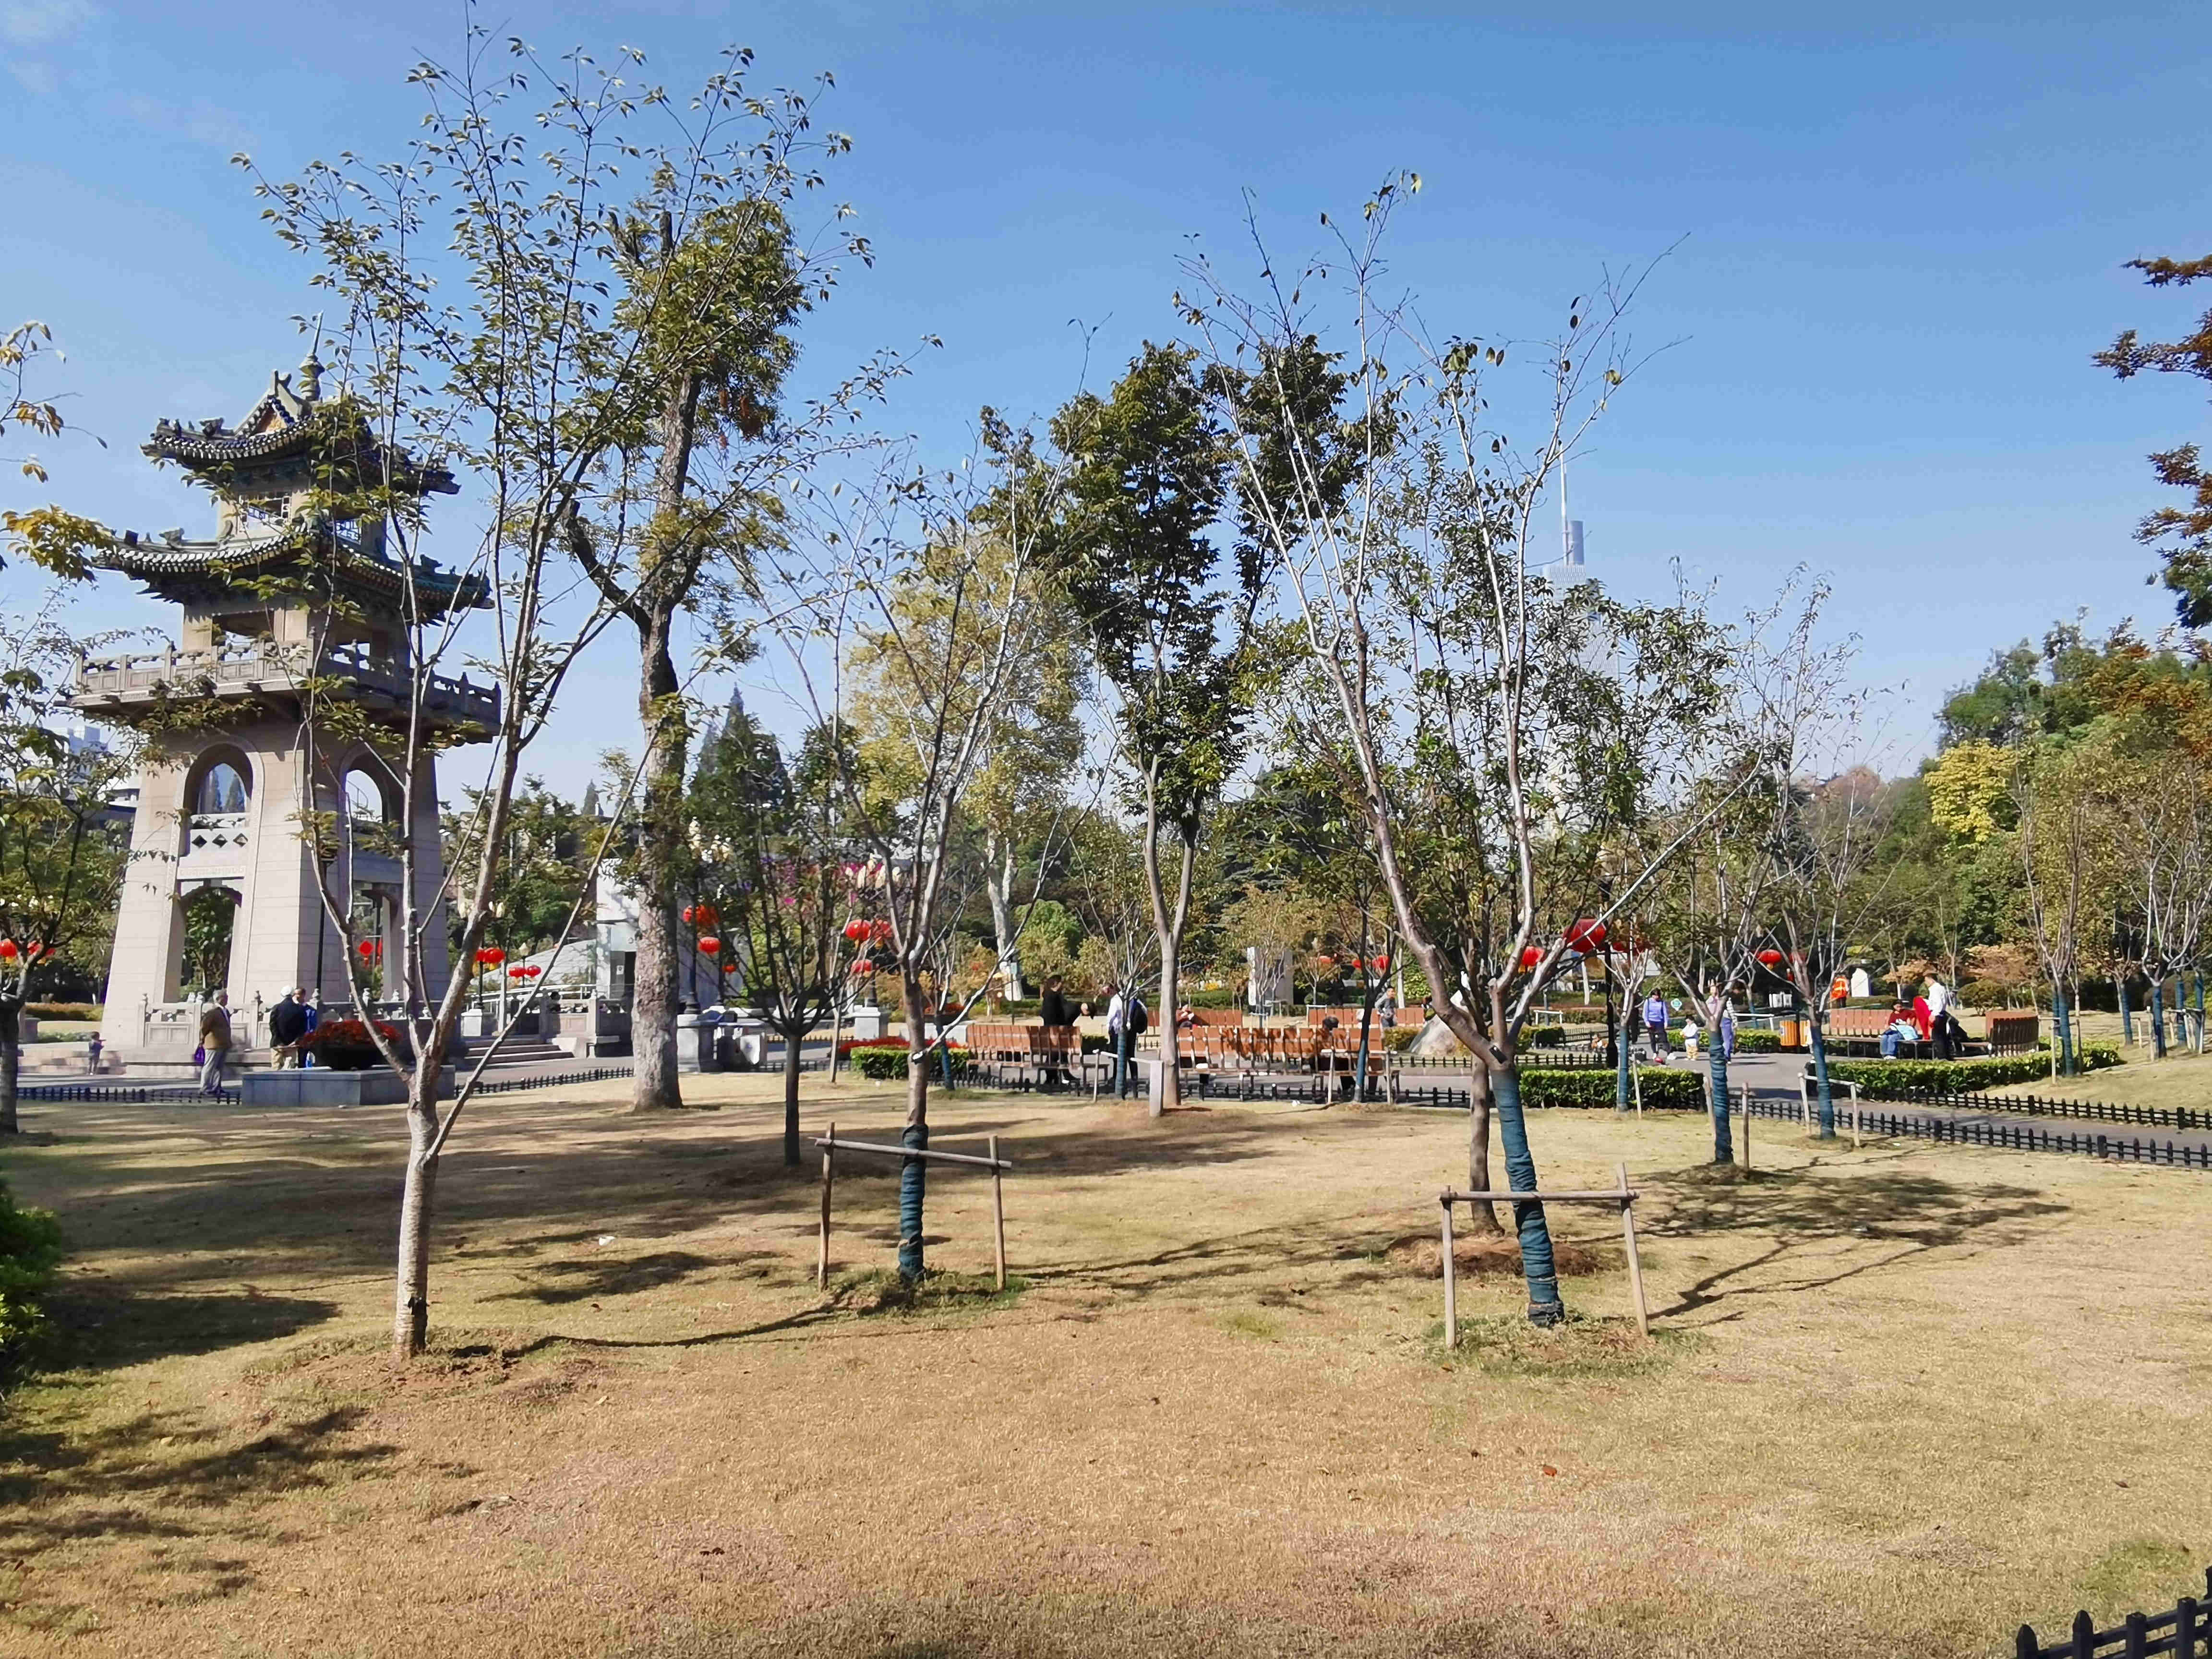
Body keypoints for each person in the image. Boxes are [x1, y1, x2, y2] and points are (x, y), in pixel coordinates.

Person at [198, 992, 233, 1096]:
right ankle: (205, 1088)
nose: (227, 999)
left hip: (223, 1043)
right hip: (213, 1044)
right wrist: (202, 1039)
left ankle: (216, 1087)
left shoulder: (225, 1011)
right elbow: (204, 1027)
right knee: (209, 1066)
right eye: (225, 997)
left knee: (219, 1068)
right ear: (219, 999)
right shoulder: (212, 1012)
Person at [268, 986, 308, 1067]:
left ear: (282, 995)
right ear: (293, 994)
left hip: (277, 1045)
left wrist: (279, 1041)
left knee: (276, 1068)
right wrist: (296, 1041)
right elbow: (303, 1028)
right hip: (292, 1045)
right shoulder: (300, 1009)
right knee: (290, 1069)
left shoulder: (276, 1008)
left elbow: (273, 1026)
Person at [1926, 974, 1954, 1059]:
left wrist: (1934, 1014)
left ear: (1931, 979)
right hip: (1941, 1014)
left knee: (1937, 1037)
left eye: (1926, 980)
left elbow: (1938, 1003)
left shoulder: (1935, 989)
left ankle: (1942, 1057)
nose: (1926, 983)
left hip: (1938, 1014)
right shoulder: (1941, 988)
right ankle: (1946, 1056)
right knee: (1943, 1036)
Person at [1642, 990, 1669, 1060]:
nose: (1656, 997)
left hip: (1660, 1021)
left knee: (1663, 1037)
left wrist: (1666, 1022)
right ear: (1652, 995)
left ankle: (1669, 1052)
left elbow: (1665, 1013)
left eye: (1658, 996)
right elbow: (1645, 1013)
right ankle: (1655, 1053)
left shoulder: (1662, 1002)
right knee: (1653, 1039)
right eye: (1655, 995)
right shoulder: (1648, 1002)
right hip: (1651, 1021)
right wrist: (1647, 1022)